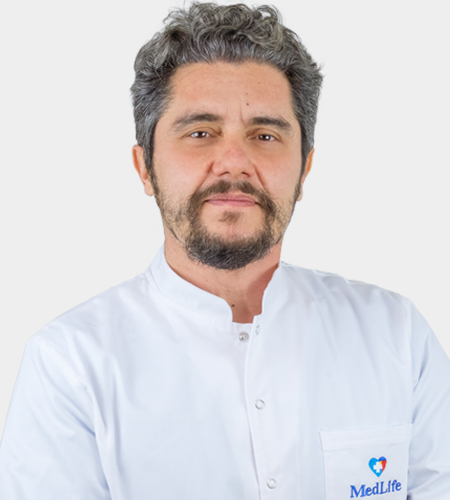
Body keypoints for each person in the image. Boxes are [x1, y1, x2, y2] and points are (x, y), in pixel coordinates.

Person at [0, 2, 449, 498]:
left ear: (304, 169)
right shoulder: (70, 365)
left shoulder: (396, 336)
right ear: (145, 167)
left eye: (265, 135)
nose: (234, 162)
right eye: (200, 133)